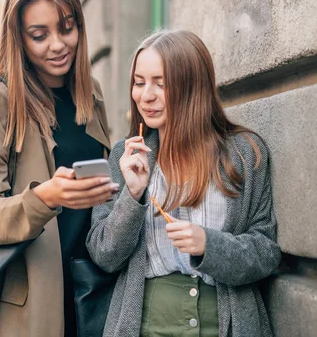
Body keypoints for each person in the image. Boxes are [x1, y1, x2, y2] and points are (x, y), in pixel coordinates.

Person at [86, 29, 281, 336]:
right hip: (146, 325)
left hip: (226, 324)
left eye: (160, 84)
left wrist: (209, 245)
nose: (145, 95)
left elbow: (267, 253)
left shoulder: (245, 153)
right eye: (139, 82)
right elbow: (104, 255)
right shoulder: (125, 156)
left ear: (192, 87)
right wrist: (133, 195)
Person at [0, 0, 118, 337]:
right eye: (39, 35)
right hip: (32, 304)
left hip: (92, 290)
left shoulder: (90, 94)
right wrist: (45, 197)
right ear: (19, 40)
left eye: (67, 27)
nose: (58, 44)